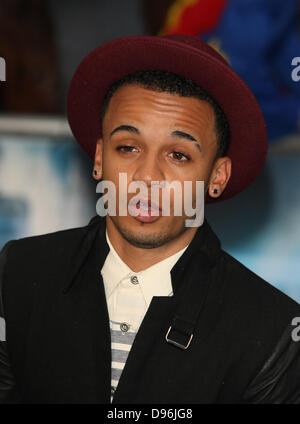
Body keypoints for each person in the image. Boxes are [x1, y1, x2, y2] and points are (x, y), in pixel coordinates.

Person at [0, 34, 300, 404]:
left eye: (178, 155)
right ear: (99, 157)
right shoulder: (19, 273)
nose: (147, 176)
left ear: (217, 177)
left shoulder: (271, 330)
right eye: (128, 147)